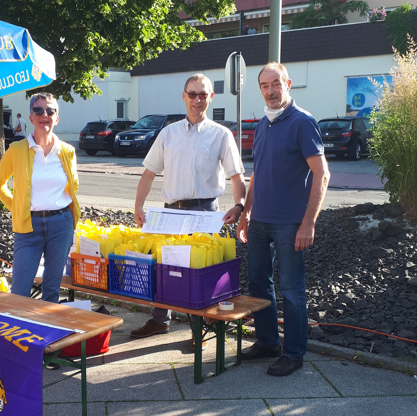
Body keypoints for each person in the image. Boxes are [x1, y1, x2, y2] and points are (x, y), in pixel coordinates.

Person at [131, 73, 246, 351]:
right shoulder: (168, 133)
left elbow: (237, 178)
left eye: (202, 94)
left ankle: (200, 329)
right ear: (184, 96)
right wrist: (138, 204)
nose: (197, 99)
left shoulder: (221, 135)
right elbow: (148, 174)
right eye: (192, 94)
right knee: (165, 267)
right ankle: (160, 320)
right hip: (170, 213)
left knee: (199, 272)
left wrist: (240, 206)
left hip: (205, 212)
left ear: (211, 98)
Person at [237, 62, 330, 377]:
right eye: (264, 86)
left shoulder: (303, 122)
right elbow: (257, 174)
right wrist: (246, 213)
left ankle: (294, 353)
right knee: (258, 285)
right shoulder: (263, 123)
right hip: (259, 222)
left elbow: (322, 174)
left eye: (275, 83)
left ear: (287, 83)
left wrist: (309, 222)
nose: (270, 90)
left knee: (292, 289)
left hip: (291, 223)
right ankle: (267, 342)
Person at [0, 92, 80, 305]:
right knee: (20, 291)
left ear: (56, 118)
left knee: (51, 289)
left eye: (50, 111)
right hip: (28, 225)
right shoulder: (17, 149)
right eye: (38, 110)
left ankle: (48, 336)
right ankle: (18, 335)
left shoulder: (67, 151)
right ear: (31, 117)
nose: (44, 115)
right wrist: (16, 207)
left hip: (61, 223)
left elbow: (73, 187)